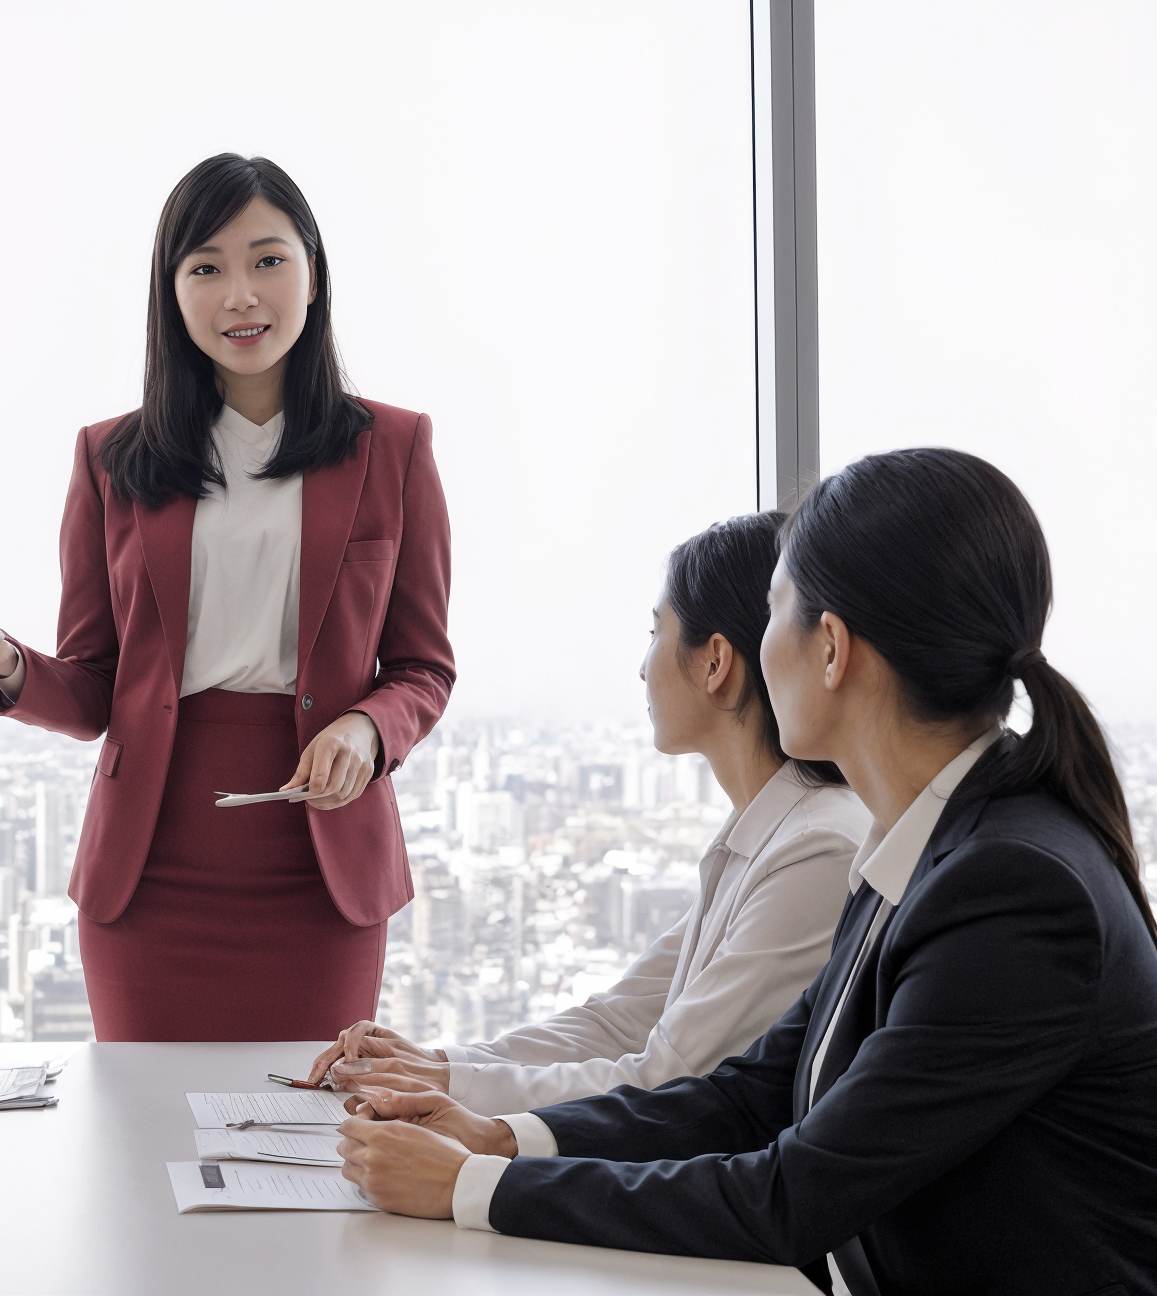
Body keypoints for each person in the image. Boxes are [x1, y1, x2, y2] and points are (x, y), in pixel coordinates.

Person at [335, 449, 1157, 1296]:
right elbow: (744, 1096)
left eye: (775, 613)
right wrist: (495, 1139)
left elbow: (792, 1197)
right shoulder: (926, 845)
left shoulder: (1011, 891)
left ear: (831, 648)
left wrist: (473, 1187)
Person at [0, 153, 454, 1040]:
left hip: (321, 865)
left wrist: (367, 726)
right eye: (206, 268)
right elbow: (93, 688)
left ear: (314, 273)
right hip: (150, 869)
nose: (240, 293)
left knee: (306, 1144)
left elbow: (423, 666)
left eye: (268, 260)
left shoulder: (393, 447)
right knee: (144, 1145)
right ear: (172, 292)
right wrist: (5, 662)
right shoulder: (110, 459)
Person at [308, 512, 867, 1114]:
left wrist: (445, 1086)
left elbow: (669, 1076)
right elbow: (617, 1024)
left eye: (657, 633)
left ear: (715, 663)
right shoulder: (764, 832)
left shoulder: (815, 848)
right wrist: (439, 1065)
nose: (642, 666)